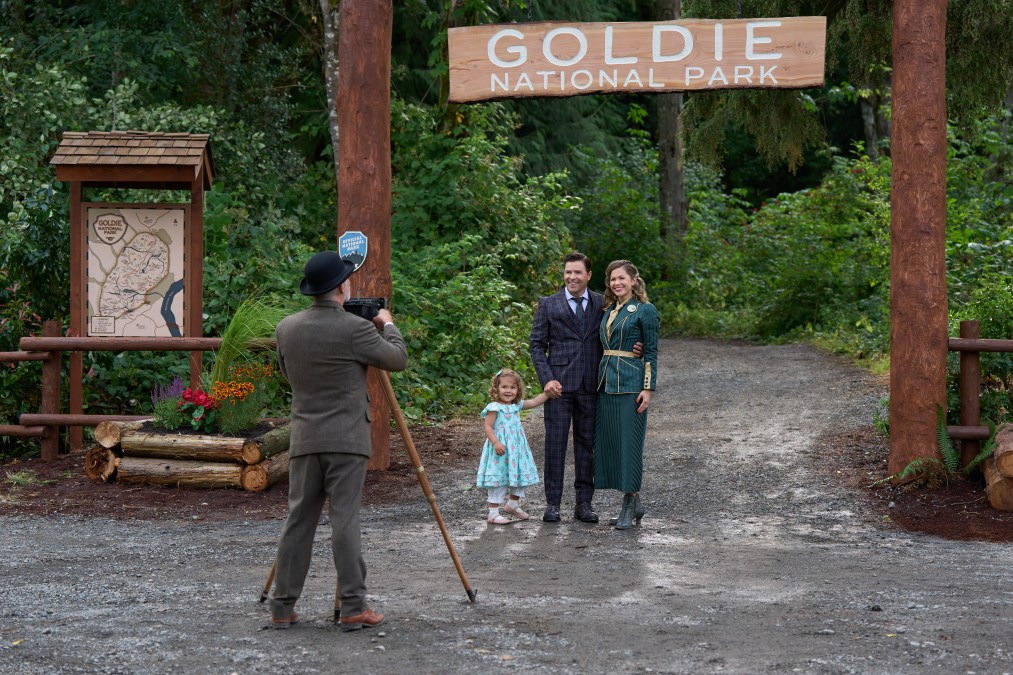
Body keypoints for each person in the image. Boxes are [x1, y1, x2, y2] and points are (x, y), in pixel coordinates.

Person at [270, 250, 407, 631]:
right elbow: (397, 359)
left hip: (304, 437)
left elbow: (288, 374)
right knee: (344, 521)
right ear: (341, 288)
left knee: (298, 521)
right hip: (347, 439)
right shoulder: (356, 329)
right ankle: (353, 606)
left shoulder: (286, 328)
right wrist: (388, 323)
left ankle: (282, 607)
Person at [529, 251, 604, 524]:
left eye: (577, 272)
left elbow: (613, 334)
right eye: (567, 272)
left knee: (587, 447)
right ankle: (553, 504)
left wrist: (633, 346)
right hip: (558, 388)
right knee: (555, 445)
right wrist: (546, 379)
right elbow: (537, 345)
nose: (571, 277)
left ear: (588, 275)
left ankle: (584, 504)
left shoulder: (601, 303)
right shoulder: (549, 304)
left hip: (591, 386)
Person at [594, 259, 659, 530]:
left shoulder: (645, 310)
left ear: (634, 280)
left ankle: (629, 504)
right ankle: (636, 502)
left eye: (621, 278)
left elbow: (652, 352)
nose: (616, 283)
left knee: (630, 446)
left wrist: (648, 388)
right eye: (612, 279)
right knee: (614, 446)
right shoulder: (609, 310)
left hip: (632, 385)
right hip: (606, 384)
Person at [476, 368, 547, 525]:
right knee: (499, 478)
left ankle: (512, 504)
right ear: (496, 389)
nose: (508, 391)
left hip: (516, 450)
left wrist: (547, 393)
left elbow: (535, 402)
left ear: (518, 389)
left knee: (520, 475)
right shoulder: (494, 407)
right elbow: (488, 426)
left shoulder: (516, 406)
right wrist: (495, 442)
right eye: (504, 387)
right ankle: (493, 513)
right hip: (499, 450)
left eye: (512, 387)